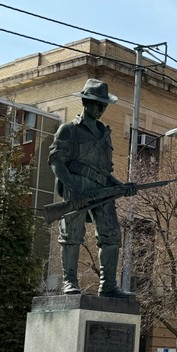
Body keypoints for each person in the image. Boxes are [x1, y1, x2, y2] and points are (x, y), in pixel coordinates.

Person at [49, 78, 136, 298]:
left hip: (101, 191)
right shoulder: (69, 130)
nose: (101, 108)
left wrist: (122, 187)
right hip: (76, 188)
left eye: (104, 105)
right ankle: (69, 281)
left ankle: (108, 286)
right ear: (86, 102)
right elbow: (57, 161)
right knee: (71, 235)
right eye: (98, 104)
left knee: (111, 236)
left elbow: (106, 172)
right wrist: (73, 190)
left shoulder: (105, 134)